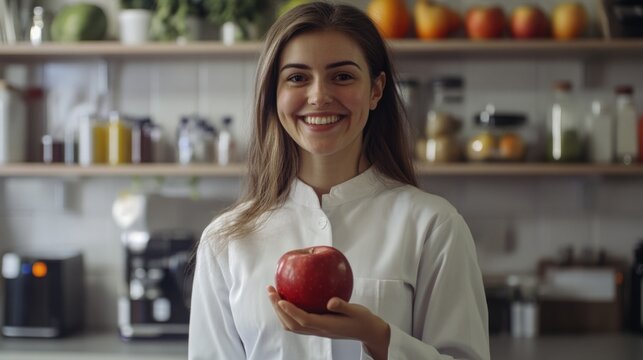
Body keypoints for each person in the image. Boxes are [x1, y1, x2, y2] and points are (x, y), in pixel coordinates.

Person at [188, 2, 489, 359]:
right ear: (274, 93)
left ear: (376, 90)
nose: (319, 96)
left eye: (342, 76)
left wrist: (379, 337)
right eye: (297, 77)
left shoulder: (434, 226)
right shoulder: (226, 240)